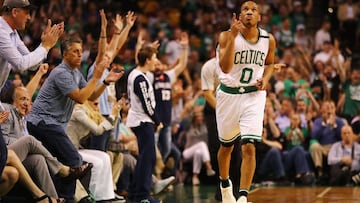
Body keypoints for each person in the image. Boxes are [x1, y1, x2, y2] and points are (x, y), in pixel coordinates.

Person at [26, 35, 124, 202]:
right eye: (75, 51)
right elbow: (79, 97)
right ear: (65, 55)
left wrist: (105, 82)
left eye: (80, 51)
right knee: (74, 159)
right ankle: (69, 198)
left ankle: (60, 198)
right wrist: (96, 76)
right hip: (42, 122)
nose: (80, 55)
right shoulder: (61, 73)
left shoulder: (75, 73)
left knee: (63, 161)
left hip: (52, 124)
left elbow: (91, 95)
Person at [216, 1, 276, 203]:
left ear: (260, 17)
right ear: (239, 15)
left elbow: (269, 64)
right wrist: (233, 36)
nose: (249, 12)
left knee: (249, 145)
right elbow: (224, 68)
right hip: (228, 95)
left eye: (254, 10)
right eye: (245, 10)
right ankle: (225, 185)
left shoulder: (269, 39)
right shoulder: (226, 36)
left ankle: (242, 197)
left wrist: (265, 80)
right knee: (226, 147)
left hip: (253, 96)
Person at [0, 0, 63, 111]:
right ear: (15, 12)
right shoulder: (1, 31)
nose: (29, 18)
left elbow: (32, 65)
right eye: (27, 13)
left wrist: (43, 45)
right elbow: (20, 64)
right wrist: (45, 47)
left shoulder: (13, 33)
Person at [126, 46, 162, 203]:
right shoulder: (140, 78)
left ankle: (135, 194)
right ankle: (143, 196)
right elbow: (147, 104)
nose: (156, 61)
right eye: (154, 58)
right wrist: (157, 120)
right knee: (147, 159)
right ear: (147, 60)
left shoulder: (137, 74)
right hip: (142, 121)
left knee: (144, 159)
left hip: (139, 120)